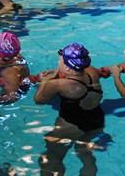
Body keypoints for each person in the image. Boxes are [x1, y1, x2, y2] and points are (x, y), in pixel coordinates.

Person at [35, 43, 104, 176]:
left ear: (67, 67)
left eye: (59, 61)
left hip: (71, 126)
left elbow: (39, 100)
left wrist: (45, 81)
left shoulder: (58, 84)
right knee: (85, 153)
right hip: (96, 120)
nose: (58, 62)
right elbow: (73, 72)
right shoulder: (91, 71)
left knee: (50, 158)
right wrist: (58, 71)